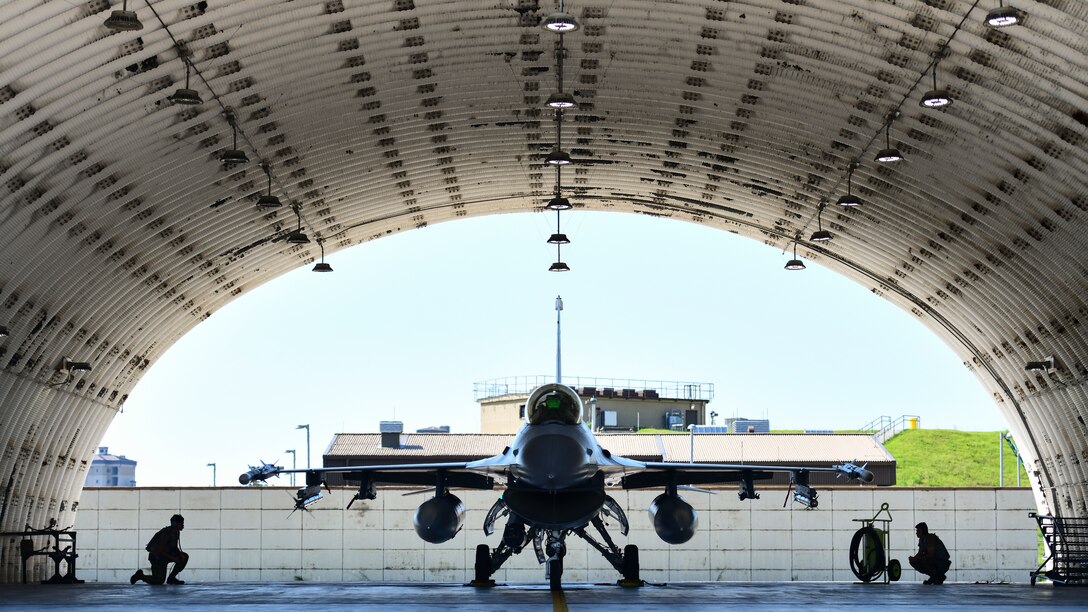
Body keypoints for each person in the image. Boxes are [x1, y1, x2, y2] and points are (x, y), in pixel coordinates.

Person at [130, 514, 188, 585]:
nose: (183, 525)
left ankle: (171, 578)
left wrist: (179, 554)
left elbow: (174, 547)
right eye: (181, 523)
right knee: (159, 581)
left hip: (165, 555)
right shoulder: (165, 534)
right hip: (157, 557)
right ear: (174, 523)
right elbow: (160, 551)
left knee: (184, 556)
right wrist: (173, 558)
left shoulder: (176, 532)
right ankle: (140, 576)